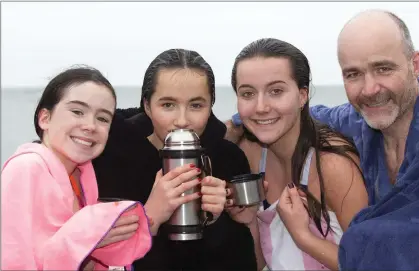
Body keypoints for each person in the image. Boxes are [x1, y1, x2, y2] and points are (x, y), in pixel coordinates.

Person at [227, 10, 419, 271]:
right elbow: (301, 115)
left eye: (383, 69)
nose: (369, 89)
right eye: (353, 74)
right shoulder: (358, 121)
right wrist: (229, 127)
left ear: (414, 64)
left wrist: (304, 237)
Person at [92, 49, 257, 270]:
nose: (182, 120)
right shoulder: (110, 158)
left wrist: (216, 222)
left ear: (211, 107)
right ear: (148, 106)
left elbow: (244, 262)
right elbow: (95, 257)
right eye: (168, 105)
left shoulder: (228, 158)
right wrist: (150, 216)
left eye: (196, 105)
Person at [226, 38, 369, 271]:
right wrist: (250, 220)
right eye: (248, 93)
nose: (261, 106)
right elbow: (260, 260)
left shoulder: (331, 166)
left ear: (302, 96)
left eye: (276, 91)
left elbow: (369, 262)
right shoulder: (250, 155)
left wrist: (303, 236)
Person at [1, 67, 152, 270]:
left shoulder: (82, 178)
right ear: (44, 118)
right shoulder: (25, 169)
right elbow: (14, 260)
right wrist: (85, 237)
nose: (90, 125)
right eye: (77, 112)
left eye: (102, 118)